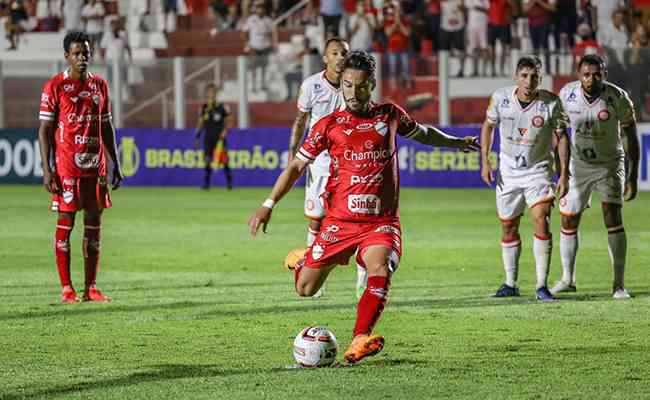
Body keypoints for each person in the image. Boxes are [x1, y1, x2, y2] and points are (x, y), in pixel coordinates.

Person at [249, 50, 479, 364]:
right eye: (346, 86)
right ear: (341, 85)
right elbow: (295, 168)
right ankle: (304, 258)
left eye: (359, 86)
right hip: (340, 222)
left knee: (380, 268)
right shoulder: (328, 126)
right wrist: (268, 203)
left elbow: (423, 133)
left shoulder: (389, 114)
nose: (353, 93)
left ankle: (360, 338)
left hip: (380, 222)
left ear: (370, 84)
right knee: (305, 289)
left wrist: (456, 142)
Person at [37, 31, 123, 303]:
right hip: (66, 169)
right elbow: (44, 130)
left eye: (86, 53)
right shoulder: (55, 86)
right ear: (67, 57)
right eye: (77, 53)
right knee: (66, 222)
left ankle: (91, 288)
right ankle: (67, 288)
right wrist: (48, 169)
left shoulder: (100, 86)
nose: (82, 58)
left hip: (95, 169)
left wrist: (115, 163)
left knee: (94, 224)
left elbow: (107, 126)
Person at [480, 55, 570, 301]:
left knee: (541, 218)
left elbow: (562, 137)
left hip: (538, 171)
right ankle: (510, 283)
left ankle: (542, 285)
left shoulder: (551, 103)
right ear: (516, 77)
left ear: (541, 78)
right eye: (524, 76)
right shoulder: (500, 98)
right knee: (508, 226)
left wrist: (564, 173)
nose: (529, 81)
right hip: (508, 173)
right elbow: (488, 126)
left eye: (534, 77)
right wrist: (485, 160)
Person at [551, 55, 639, 299]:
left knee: (612, 217)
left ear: (604, 74)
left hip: (610, 164)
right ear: (579, 75)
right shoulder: (567, 95)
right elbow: (560, 136)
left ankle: (618, 285)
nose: (591, 79)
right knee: (568, 220)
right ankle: (568, 279)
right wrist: (561, 173)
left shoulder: (618, 97)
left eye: (597, 74)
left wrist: (632, 177)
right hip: (578, 166)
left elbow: (631, 137)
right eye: (586, 74)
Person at [288, 37, 349, 298]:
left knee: (352, 218)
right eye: (334, 53)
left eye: (343, 52)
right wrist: (294, 153)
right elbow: (301, 119)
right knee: (317, 219)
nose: (340, 57)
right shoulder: (311, 85)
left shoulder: (353, 84)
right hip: (320, 161)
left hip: (348, 160)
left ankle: (362, 277)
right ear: (325, 58)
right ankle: (313, 275)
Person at [194, 83, 234, 190]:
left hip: (220, 138)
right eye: (209, 92)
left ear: (216, 93)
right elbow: (200, 123)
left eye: (213, 92)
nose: (211, 94)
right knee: (207, 160)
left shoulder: (222, 107)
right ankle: (206, 184)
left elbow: (230, 121)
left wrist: (225, 131)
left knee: (224, 160)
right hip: (208, 138)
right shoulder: (204, 108)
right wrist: (197, 136)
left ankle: (229, 183)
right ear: (206, 94)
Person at [241, 1, 278, 93]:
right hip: (254, 46)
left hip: (265, 46)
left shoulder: (268, 20)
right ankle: (253, 85)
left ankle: (263, 84)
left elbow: (273, 32)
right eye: (258, 8)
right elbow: (244, 32)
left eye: (262, 8)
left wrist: (274, 43)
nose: (260, 10)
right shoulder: (251, 19)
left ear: (264, 10)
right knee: (253, 66)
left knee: (264, 66)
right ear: (256, 10)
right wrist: (247, 43)